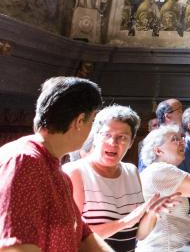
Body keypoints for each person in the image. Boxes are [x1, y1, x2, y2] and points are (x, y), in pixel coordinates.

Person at [0, 76, 111, 251]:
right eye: (92, 121)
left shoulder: (59, 173)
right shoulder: (24, 161)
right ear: (79, 121)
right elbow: (15, 247)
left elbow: (84, 236)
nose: (92, 129)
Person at [64, 105, 179, 252]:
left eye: (122, 137)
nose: (113, 143)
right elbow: (74, 235)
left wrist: (152, 213)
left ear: (131, 143)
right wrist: (127, 221)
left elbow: (139, 235)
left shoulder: (131, 172)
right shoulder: (75, 172)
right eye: (107, 135)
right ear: (95, 137)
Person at [139, 99, 182, 172]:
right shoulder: (154, 139)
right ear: (168, 116)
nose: (183, 114)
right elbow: (145, 170)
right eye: (179, 111)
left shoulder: (183, 137)